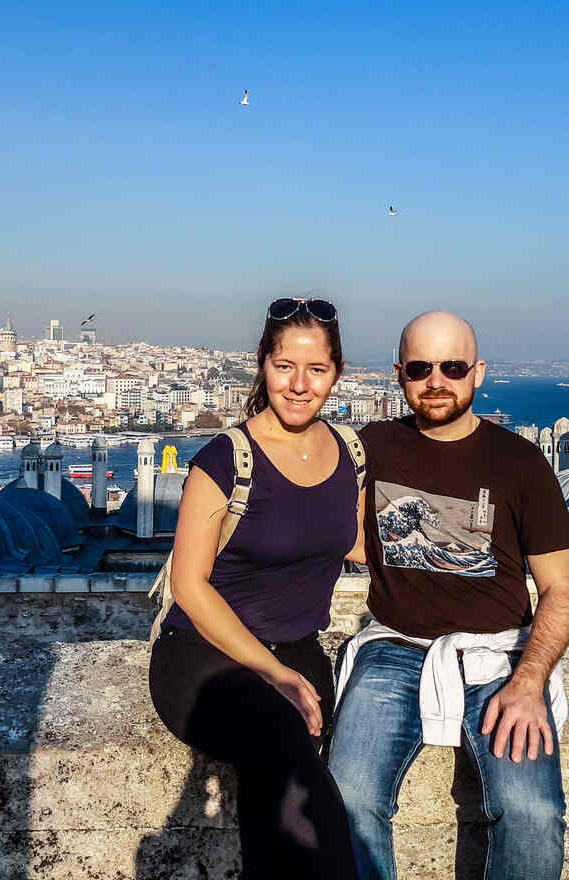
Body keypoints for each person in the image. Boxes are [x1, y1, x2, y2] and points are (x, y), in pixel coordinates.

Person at [330, 310, 569, 880]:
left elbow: (560, 589)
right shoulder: (371, 449)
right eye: (420, 367)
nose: (436, 380)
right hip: (395, 646)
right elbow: (343, 536)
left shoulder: (520, 463)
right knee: (347, 798)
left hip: (500, 655)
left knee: (533, 812)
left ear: (478, 372)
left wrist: (528, 683)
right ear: (399, 374)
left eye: (452, 366)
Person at [149, 297, 362, 880]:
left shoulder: (351, 455)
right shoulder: (224, 460)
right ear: (262, 365)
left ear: (337, 373)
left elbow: (365, 545)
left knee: (283, 787)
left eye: (315, 369)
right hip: (206, 657)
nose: (298, 385)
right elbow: (190, 587)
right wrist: (273, 673)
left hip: (297, 652)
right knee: (287, 759)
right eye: (283, 366)